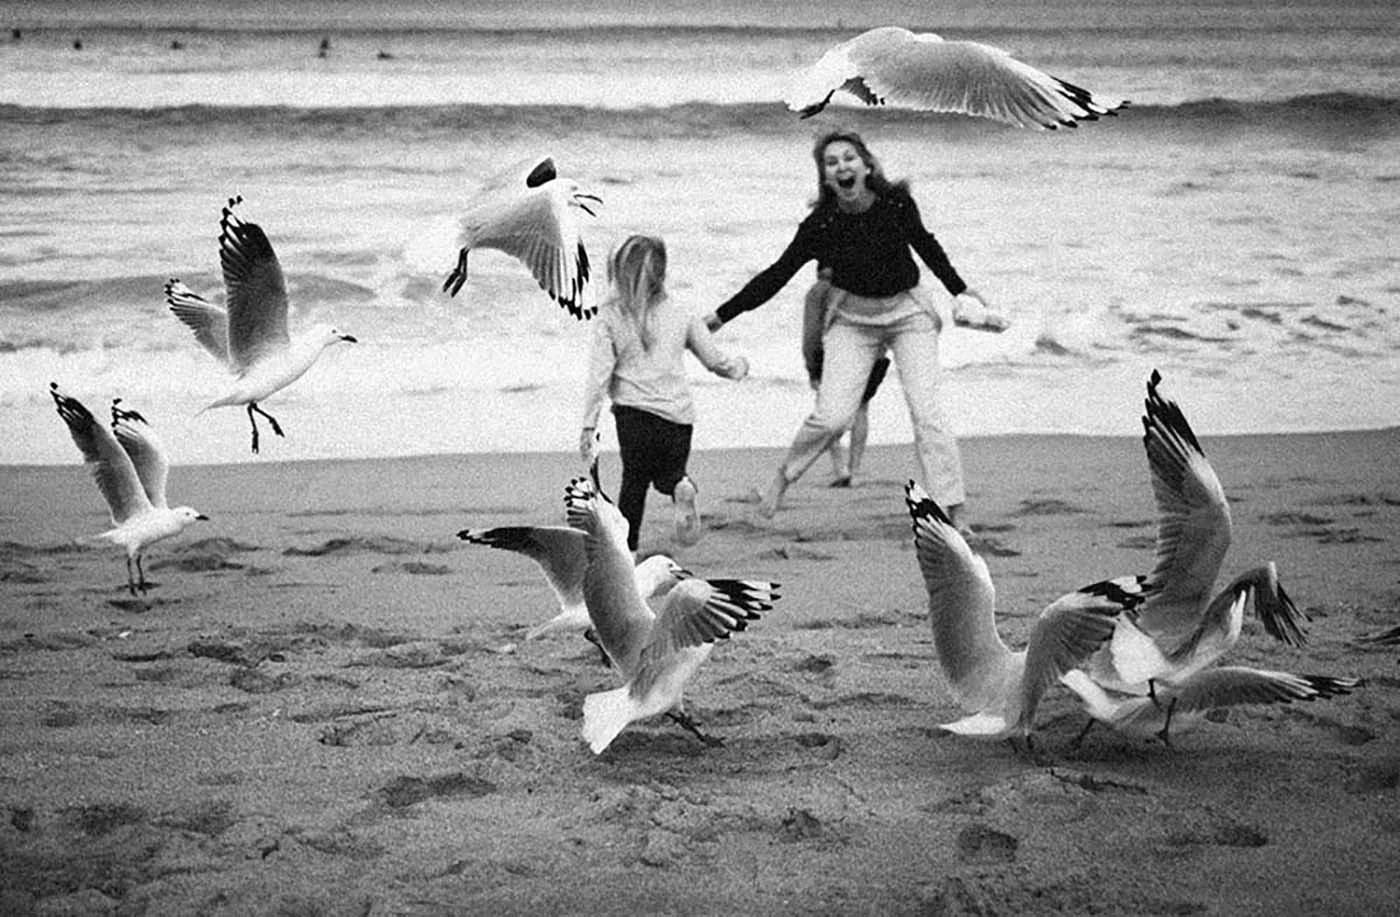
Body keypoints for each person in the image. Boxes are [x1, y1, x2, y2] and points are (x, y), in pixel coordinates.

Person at [704, 129, 1007, 527]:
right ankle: (783, 477)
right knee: (832, 417)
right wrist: (721, 316)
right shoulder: (821, 223)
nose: (841, 166)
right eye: (831, 163)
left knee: (927, 413)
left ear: (866, 165)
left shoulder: (896, 203)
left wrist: (961, 289)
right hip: (852, 320)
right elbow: (776, 275)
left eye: (848, 158)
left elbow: (926, 245)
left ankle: (954, 509)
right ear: (826, 178)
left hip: (908, 313)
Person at [581, 234, 749, 552]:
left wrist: (589, 423)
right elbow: (715, 361)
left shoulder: (610, 316)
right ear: (663, 273)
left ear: (616, 272)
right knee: (668, 475)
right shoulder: (682, 311)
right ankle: (680, 487)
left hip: (634, 416)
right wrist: (737, 367)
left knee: (634, 482)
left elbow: (599, 375)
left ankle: (627, 552)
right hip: (678, 417)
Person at [803, 266, 890, 487]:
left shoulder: (818, 291)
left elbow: (811, 333)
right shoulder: (868, 281)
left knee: (828, 410)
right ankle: (856, 471)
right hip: (873, 352)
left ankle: (840, 468)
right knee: (861, 408)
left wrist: (812, 368)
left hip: (831, 354)